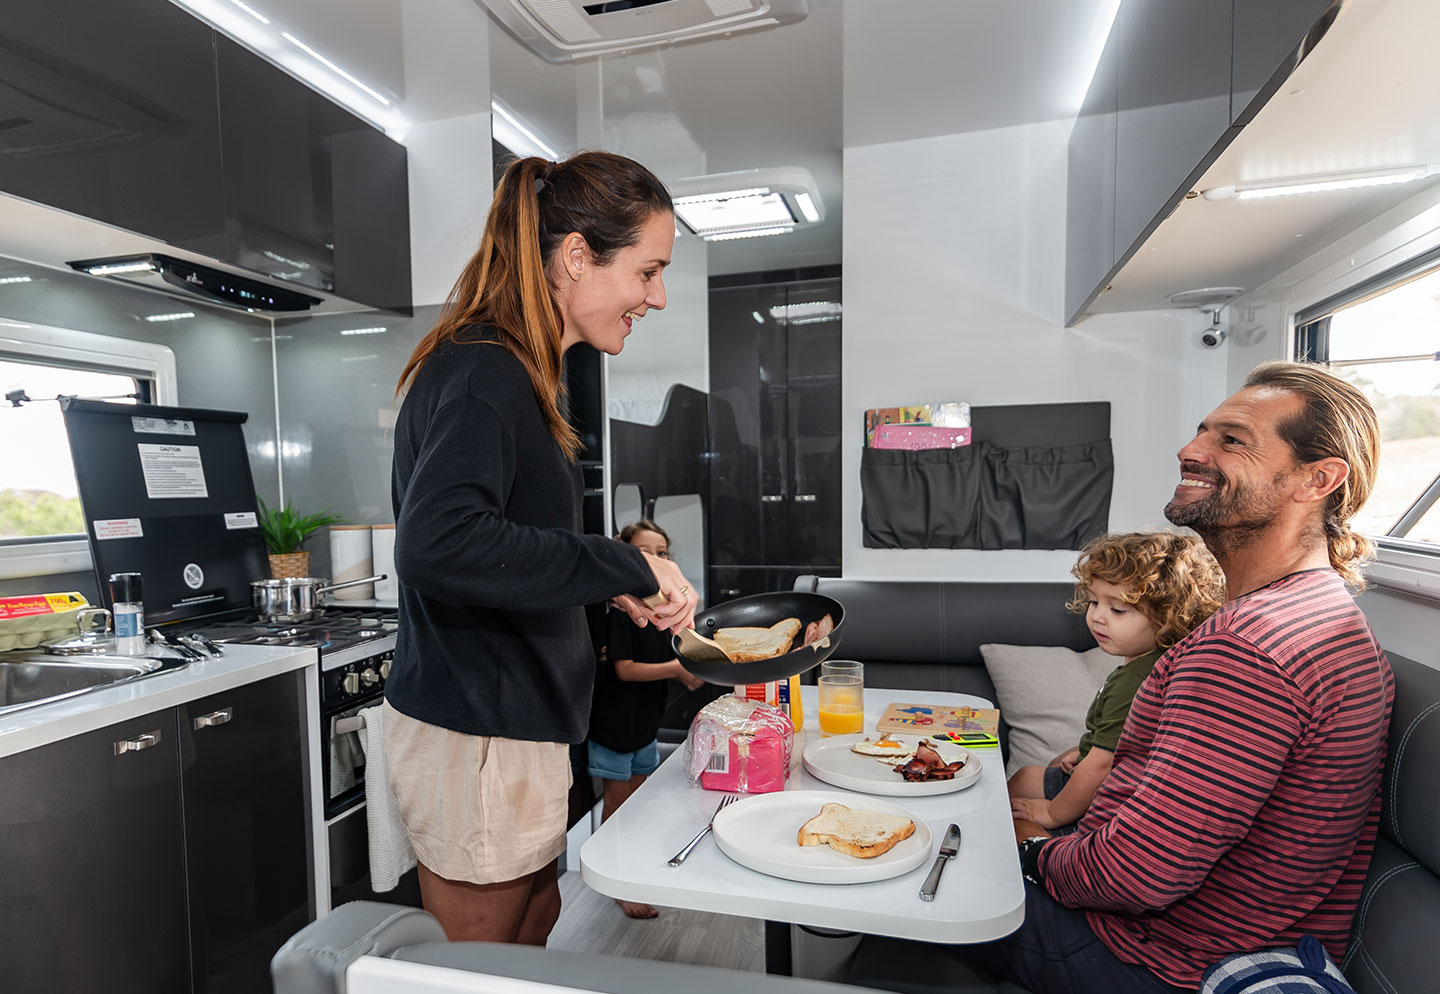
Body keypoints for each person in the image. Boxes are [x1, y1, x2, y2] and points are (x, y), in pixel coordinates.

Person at [969, 361, 1396, 994]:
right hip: (1226, 930)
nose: (1189, 450)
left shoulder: (1251, 646)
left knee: (919, 866)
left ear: (1318, 478)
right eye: (1202, 431)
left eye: (1231, 440)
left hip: (1152, 957)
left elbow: (1136, 875)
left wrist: (1032, 848)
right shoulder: (1313, 609)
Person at [383, 152, 701, 947]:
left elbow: (516, 543)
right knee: (483, 963)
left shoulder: (523, 376)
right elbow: (439, 543)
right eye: (647, 271)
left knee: (537, 921)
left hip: (518, 721)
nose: (656, 296)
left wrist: (607, 582)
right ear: (574, 258)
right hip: (476, 729)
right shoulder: (483, 370)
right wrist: (623, 563)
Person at [1008, 531, 1224, 836]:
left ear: (1168, 616)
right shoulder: (1148, 662)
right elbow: (1118, 742)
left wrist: (1052, 813)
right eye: (1094, 602)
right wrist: (1082, 752)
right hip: (1103, 778)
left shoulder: (1136, 680)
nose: (1097, 617)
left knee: (1013, 820)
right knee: (1025, 778)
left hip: (1105, 799)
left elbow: (1102, 765)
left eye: (1118, 609)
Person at [586, 519, 706, 919]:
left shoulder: (660, 615)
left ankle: (632, 873)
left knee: (637, 805)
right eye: (645, 554)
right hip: (615, 727)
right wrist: (676, 669)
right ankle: (616, 881)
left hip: (643, 724)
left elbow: (674, 656)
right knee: (618, 806)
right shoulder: (622, 615)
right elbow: (625, 670)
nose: (656, 562)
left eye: (662, 554)